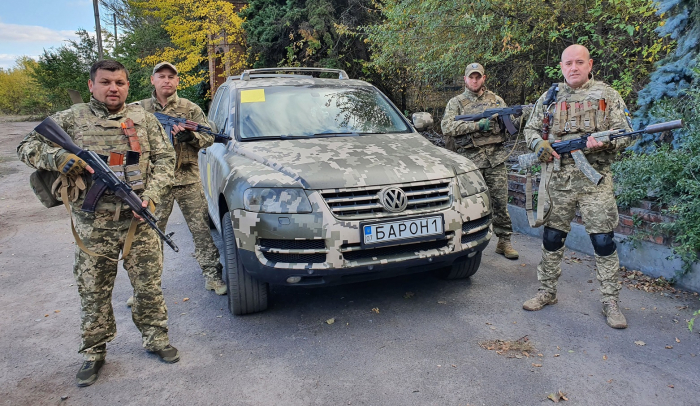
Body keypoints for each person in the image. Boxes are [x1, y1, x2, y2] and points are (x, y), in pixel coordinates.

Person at [17, 60, 179, 387]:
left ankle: (156, 339)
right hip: (93, 226)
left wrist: (151, 195)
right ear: (92, 85)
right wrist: (59, 159)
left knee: (148, 286)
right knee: (93, 291)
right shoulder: (70, 118)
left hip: (139, 221)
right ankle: (94, 352)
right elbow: (26, 146)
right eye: (105, 82)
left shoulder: (144, 120)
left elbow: (165, 161)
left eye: (119, 82)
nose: (113, 88)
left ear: (128, 86)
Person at [521, 44, 632, 329]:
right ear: (561, 66)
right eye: (568, 63)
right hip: (558, 179)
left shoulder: (608, 95)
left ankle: (610, 301)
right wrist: (538, 144)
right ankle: (547, 291)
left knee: (603, 241)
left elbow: (626, 134)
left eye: (579, 62)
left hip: (595, 180)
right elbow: (530, 129)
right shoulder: (549, 97)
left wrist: (605, 141)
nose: (573, 67)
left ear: (590, 64)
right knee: (552, 237)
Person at [131, 62, 226, 299]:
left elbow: (208, 138)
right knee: (150, 236)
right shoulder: (138, 109)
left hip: (187, 178)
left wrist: (190, 137)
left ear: (178, 81)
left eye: (171, 77)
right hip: (155, 183)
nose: (166, 81)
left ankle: (212, 276)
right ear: (152, 80)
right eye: (161, 76)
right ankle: (145, 288)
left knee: (201, 230)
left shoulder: (190, 108)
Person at [441, 63, 519, 260]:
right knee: (467, 206)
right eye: (471, 77)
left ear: (484, 78)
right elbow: (447, 126)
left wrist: (521, 117)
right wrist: (476, 126)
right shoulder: (456, 102)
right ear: (465, 79)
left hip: (495, 160)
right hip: (469, 163)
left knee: (500, 203)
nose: (474, 80)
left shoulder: (496, 100)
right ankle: (466, 244)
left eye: (478, 77)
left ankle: (504, 241)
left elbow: (511, 126)